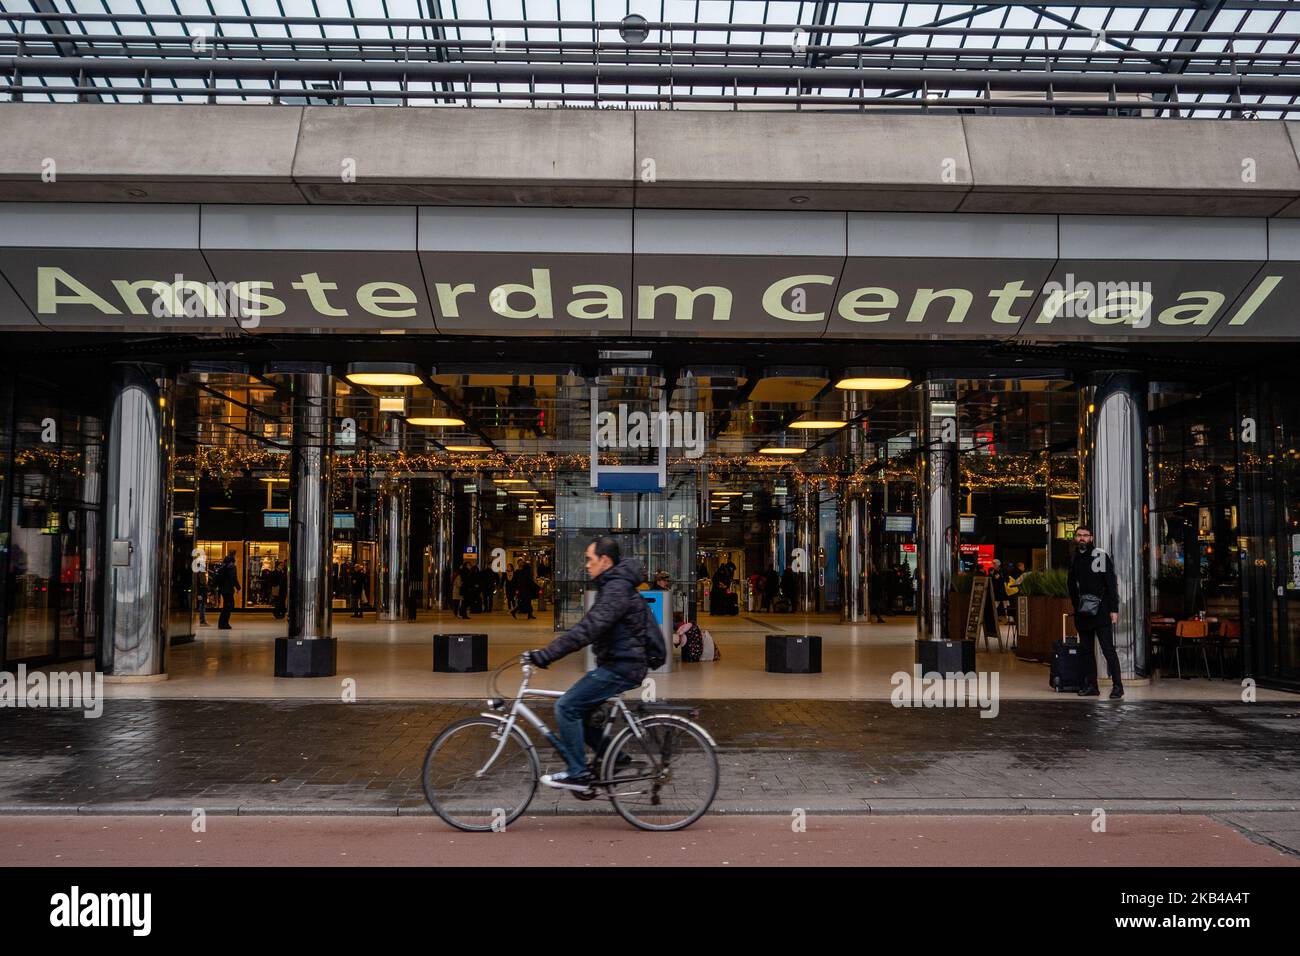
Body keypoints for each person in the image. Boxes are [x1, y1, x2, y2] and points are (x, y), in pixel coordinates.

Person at [525, 537, 651, 790]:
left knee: (566, 707)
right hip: (620, 662)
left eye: (589, 559)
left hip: (623, 666)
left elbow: (587, 630)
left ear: (605, 561)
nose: (586, 565)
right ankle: (616, 757)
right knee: (580, 713)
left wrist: (547, 654)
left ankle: (577, 771)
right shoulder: (614, 585)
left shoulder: (616, 589)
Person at [1068, 525, 1123, 699]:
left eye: (1085, 535)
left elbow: (1110, 583)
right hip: (1083, 612)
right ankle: (1092, 686)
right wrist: (1076, 606)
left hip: (1101, 611)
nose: (1082, 538)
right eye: (1079, 535)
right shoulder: (1075, 557)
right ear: (1075, 538)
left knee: (1108, 649)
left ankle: (1118, 686)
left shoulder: (1099, 555)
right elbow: (1071, 584)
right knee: (1086, 650)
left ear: (1091, 538)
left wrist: (1114, 609)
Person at [216, 552, 240, 630]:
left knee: (226, 606)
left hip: (223, 589)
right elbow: (233, 578)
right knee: (229, 606)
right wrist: (238, 587)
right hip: (228, 589)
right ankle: (224, 623)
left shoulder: (223, 566)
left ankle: (222, 623)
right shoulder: (232, 567)